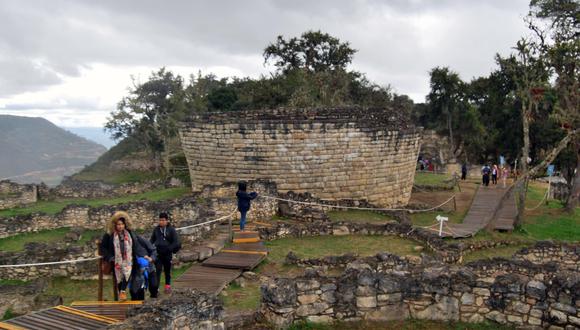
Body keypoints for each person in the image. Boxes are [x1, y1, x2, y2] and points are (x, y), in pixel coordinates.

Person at [100, 211, 158, 301]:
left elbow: (135, 246)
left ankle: (123, 292)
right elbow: (103, 248)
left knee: (131, 279)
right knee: (120, 278)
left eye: (122, 224)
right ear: (114, 224)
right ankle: (121, 295)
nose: (120, 226)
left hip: (129, 260)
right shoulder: (109, 235)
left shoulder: (129, 233)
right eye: (118, 224)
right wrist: (110, 257)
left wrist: (143, 256)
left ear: (125, 224)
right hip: (117, 261)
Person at [150, 212, 181, 295]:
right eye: (160, 220)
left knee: (167, 270)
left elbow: (175, 242)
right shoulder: (156, 229)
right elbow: (151, 240)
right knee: (158, 270)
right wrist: (150, 249)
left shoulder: (171, 230)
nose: (161, 222)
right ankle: (156, 288)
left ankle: (167, 286)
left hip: (167, 254)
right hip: (158, 254)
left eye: (163, 220)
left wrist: (169, 249)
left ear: (167, 221)